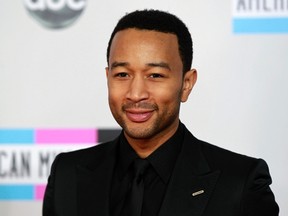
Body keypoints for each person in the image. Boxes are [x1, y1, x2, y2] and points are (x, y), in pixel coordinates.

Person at [42, 9, 279, 216]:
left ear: (186, 84)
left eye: (155, 75)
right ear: (108, 78)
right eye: (122, 74)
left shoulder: (240, 183)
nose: (136, 94)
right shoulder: (67, 174)